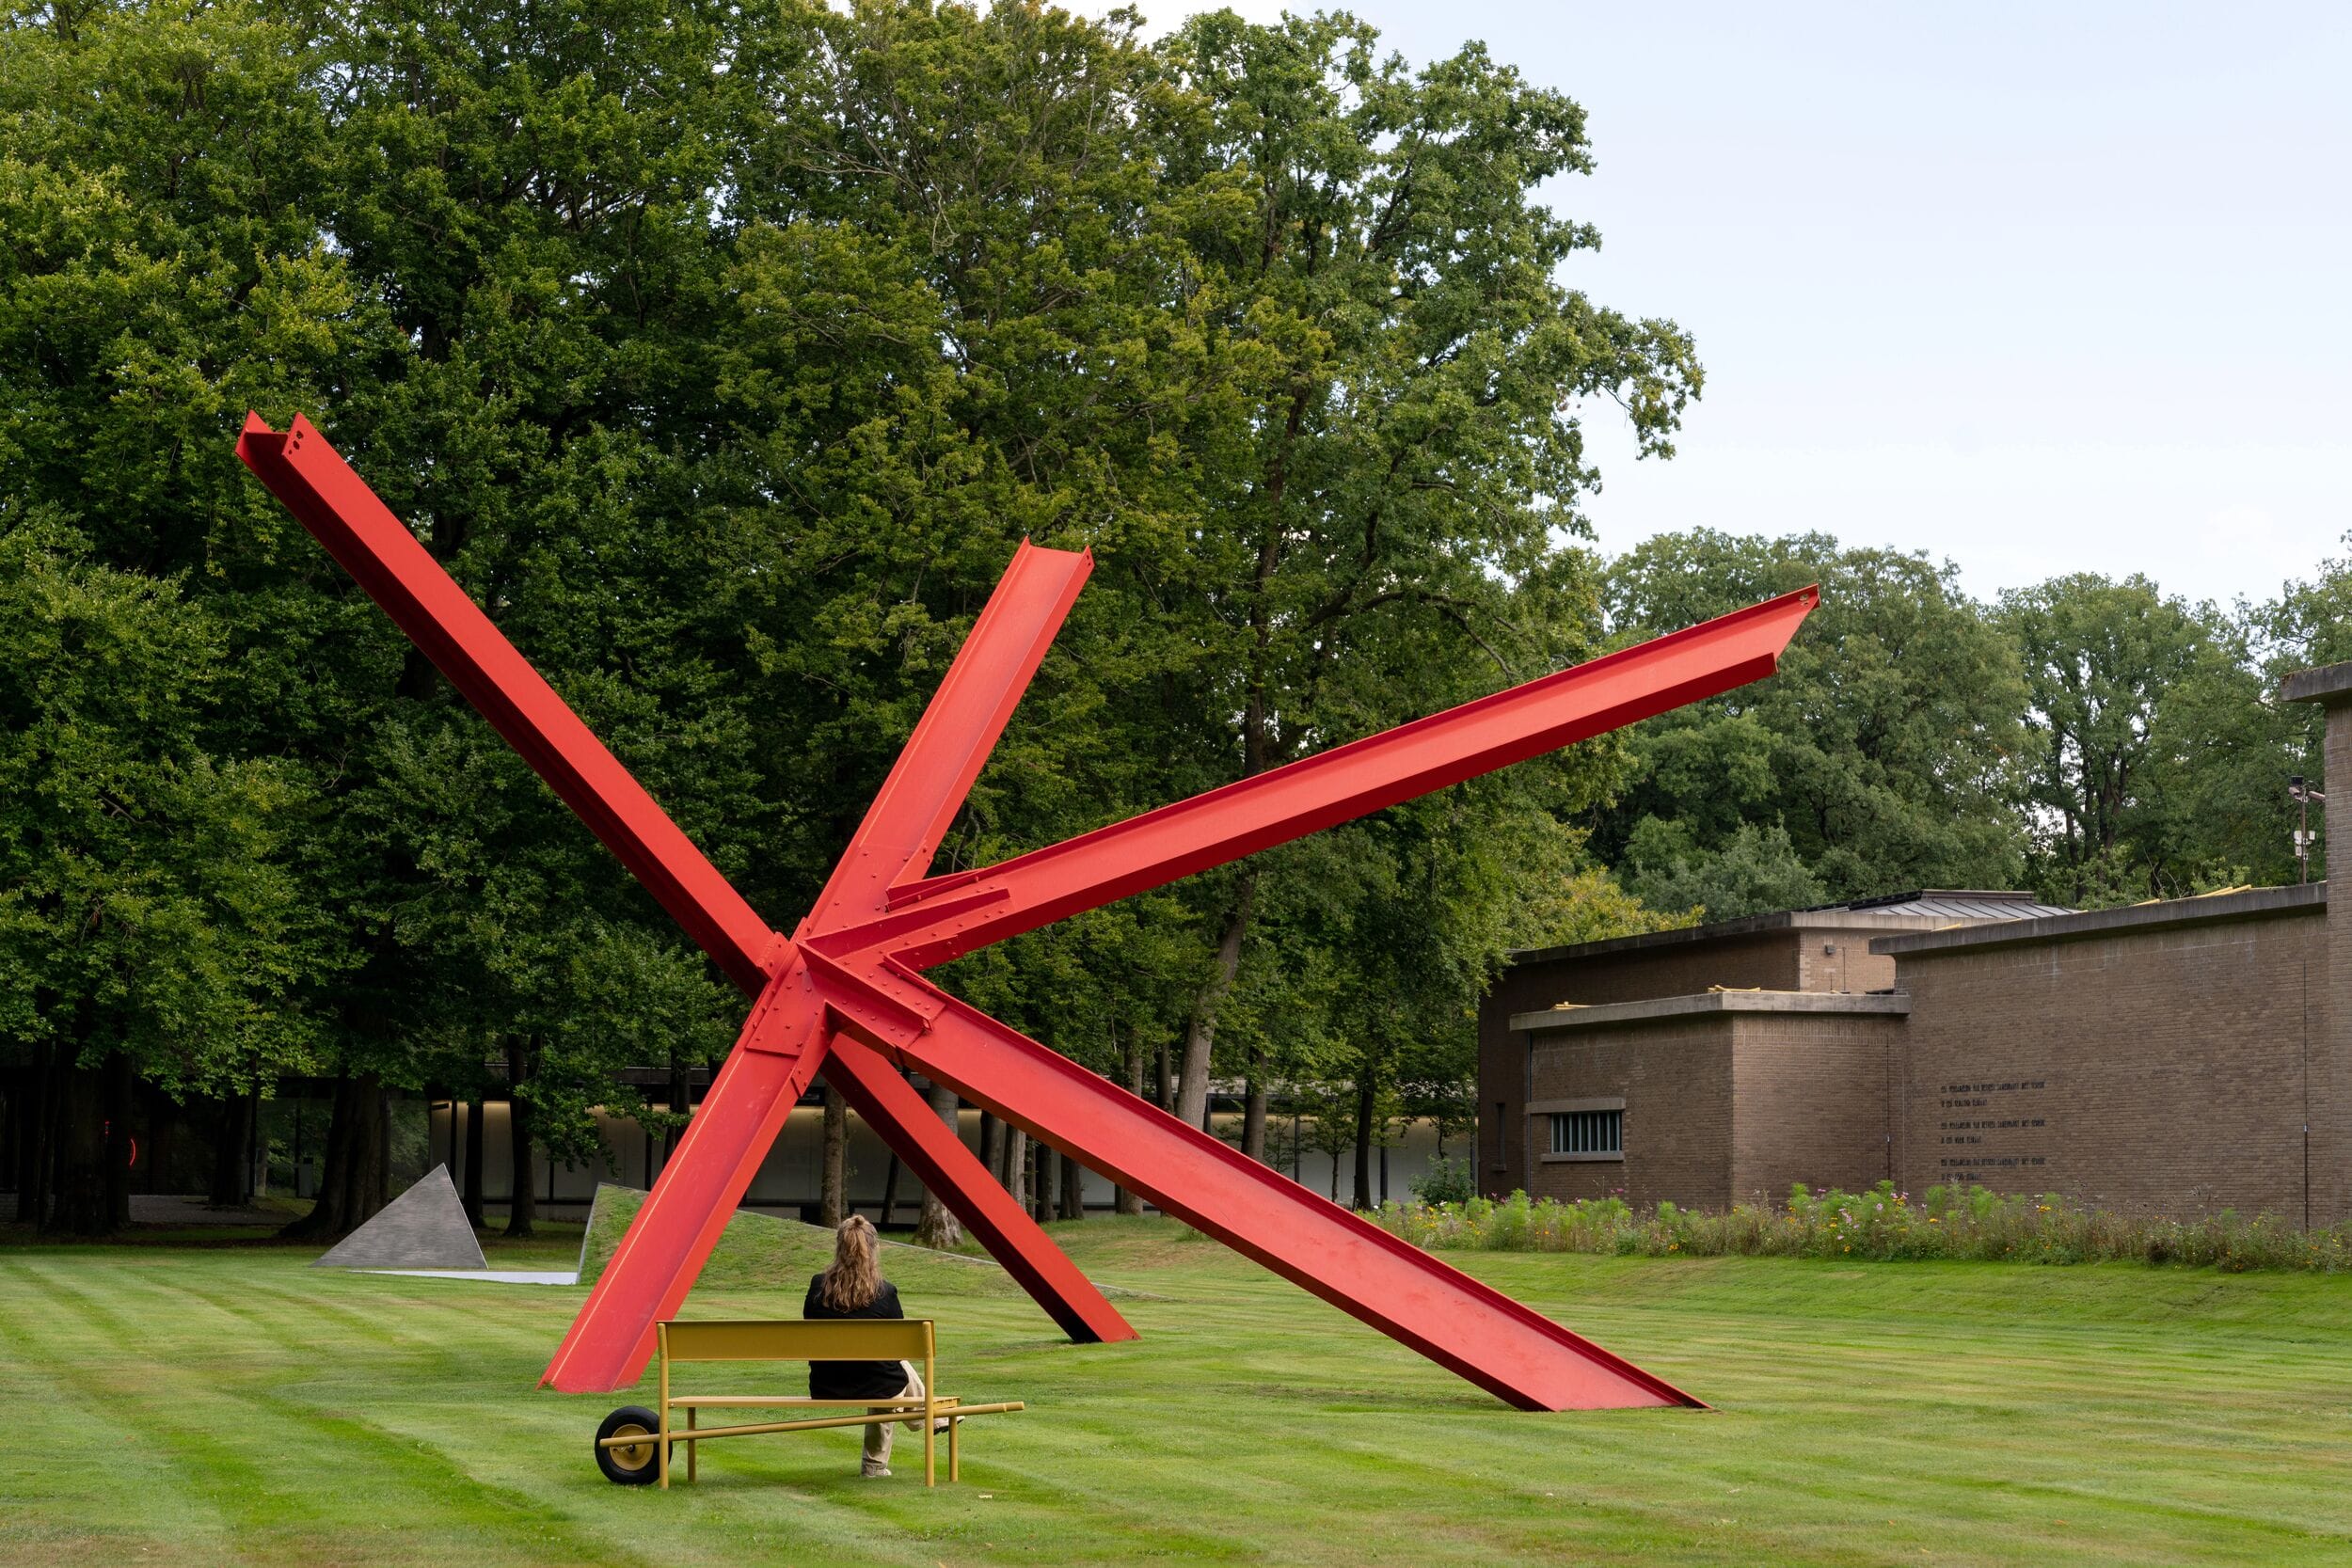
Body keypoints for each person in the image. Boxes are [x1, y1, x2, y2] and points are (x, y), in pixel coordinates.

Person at [803, 1213, 935, 1478]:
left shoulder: (819, 1285)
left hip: (827, 1384)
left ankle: (932, 1416)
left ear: (839, 1248)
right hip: (878, 1384)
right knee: (890, 1373)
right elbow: (900, 1346)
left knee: (887, 1371)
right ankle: (931, 1416)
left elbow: (808, 1325)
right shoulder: (884, 1291)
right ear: (873, 1249)